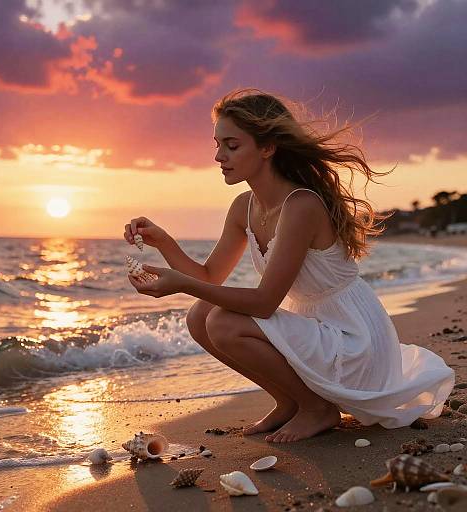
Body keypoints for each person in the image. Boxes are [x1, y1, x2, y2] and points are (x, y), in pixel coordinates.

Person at [124, 88, 454, 444]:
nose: (219, 156)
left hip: (355, 339)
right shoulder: (243, 207)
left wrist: (180, 283)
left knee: (221, 321)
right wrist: (164, 243)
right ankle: (289, 401)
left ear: (268, 147)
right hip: (318, 328)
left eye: (232, 145)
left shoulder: (301, 206)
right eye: (217, 144)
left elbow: (265, 302)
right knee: (198, 315)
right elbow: (208, 277)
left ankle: (316, 409)